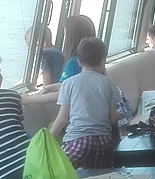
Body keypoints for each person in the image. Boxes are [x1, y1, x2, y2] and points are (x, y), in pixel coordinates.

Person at [51, 37, 121, 169]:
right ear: (103, 61)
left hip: (78, 140)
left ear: (78, 61)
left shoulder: (68, 83)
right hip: (103, 141)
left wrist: (48, 139)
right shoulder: (109, 83)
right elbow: (112, 119)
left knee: (58, 170)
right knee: (99, 176)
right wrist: (119, 115)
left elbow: (62, 119)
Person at [59, 14, 97, 81]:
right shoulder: (97, 61)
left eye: (65, 34)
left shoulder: (73, 63)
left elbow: (64, 86)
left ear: (72, 37)